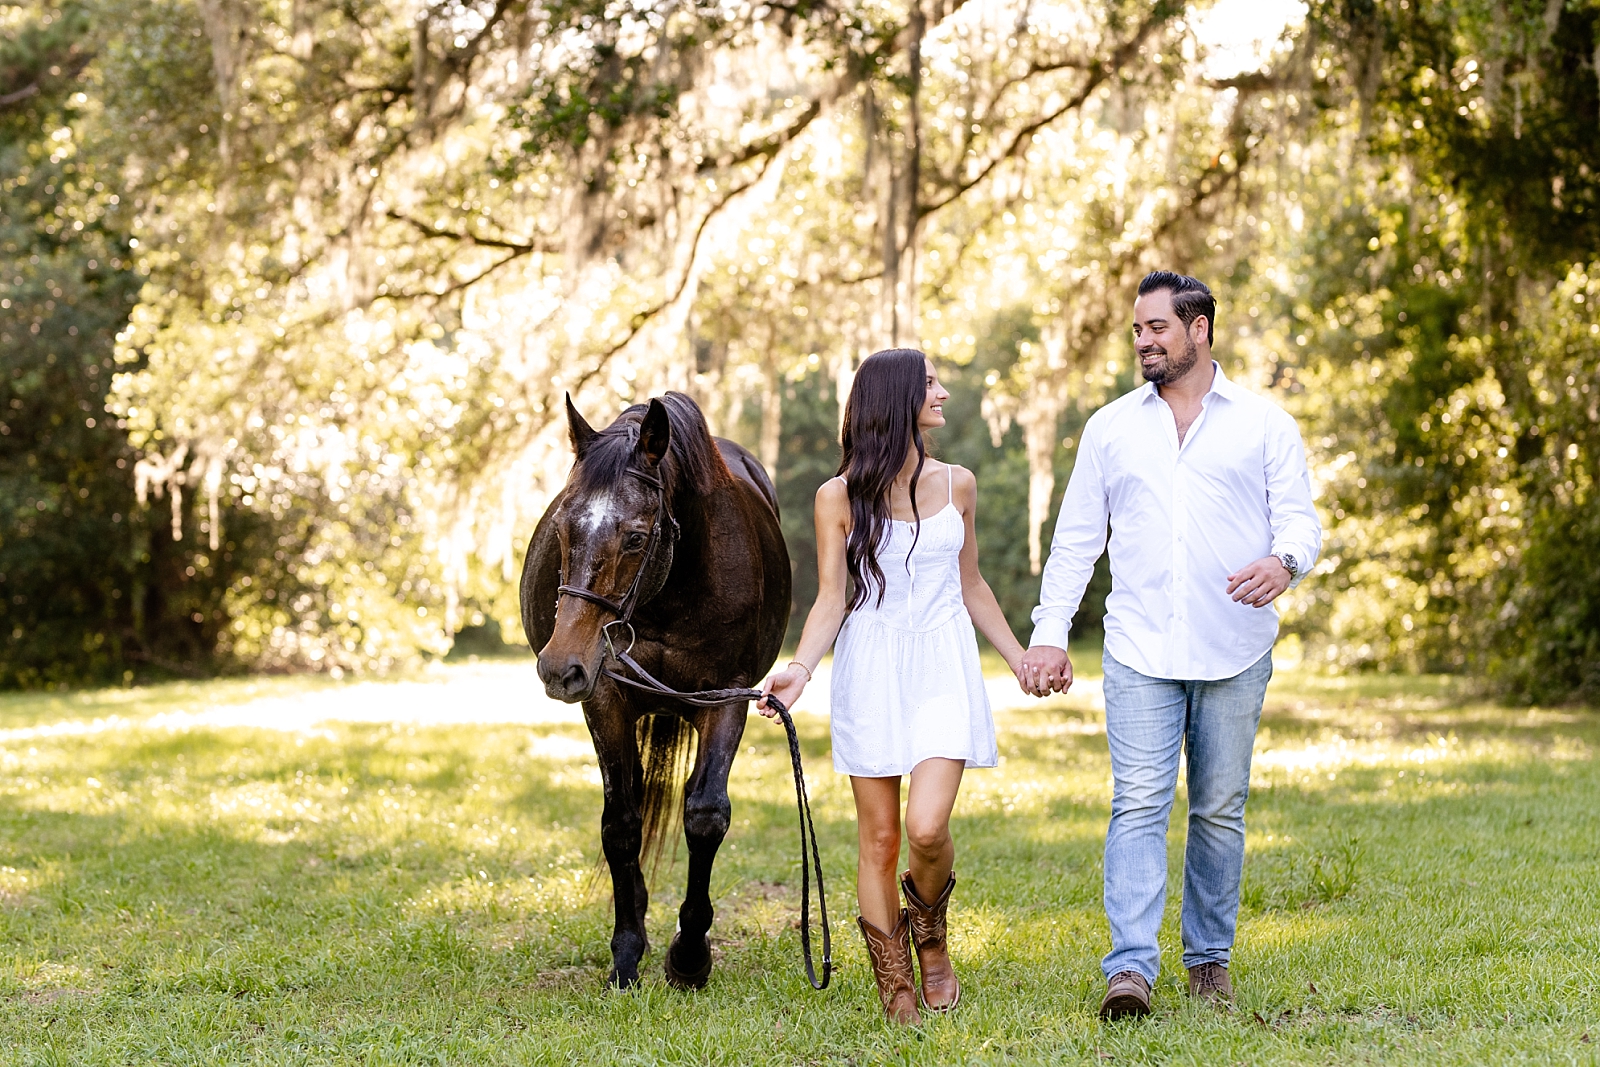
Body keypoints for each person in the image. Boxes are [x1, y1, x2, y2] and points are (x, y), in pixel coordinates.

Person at [1019, 271, 1323, 1019]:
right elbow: (1076, 542)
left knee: (1219, 807)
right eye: (1137, 330)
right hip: (1139, 649)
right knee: (1140, 804)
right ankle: (1130, 968)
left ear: (1200, 329)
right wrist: (1050, 634)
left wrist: (1283, 563)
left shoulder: (1263, 423)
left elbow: (1301, 522)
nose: (1144, 341)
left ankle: (1209, 960)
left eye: (1157, 327)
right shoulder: (1111, 427)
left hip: (1235, 649)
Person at [758, 347, 1028, 1025]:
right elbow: (831, 599)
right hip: (870, 667)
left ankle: (930, 934)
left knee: (926, 827)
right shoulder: (836, 496)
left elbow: (972, 586)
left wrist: (1020, 658)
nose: (942, 393)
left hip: (943, 663)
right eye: (930, 383)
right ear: (896, 400)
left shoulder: (958, 483)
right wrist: (800, 669)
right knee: (879, 839)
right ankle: (896, 980)